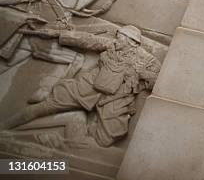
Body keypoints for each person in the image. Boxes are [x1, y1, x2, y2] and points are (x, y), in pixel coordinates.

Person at [1, 25, 161, 147]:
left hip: (115, 98)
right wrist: (59, 34)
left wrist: (141, 73)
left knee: (108, 139)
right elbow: (88, 40)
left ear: (132, 42)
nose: (117, 39)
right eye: (118, 36)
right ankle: (6, 125)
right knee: (46, 106)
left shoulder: (147, 60)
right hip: (88, 86)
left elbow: (157, 82)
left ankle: (74, 122)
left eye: (121, 38)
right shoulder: (111, 45)